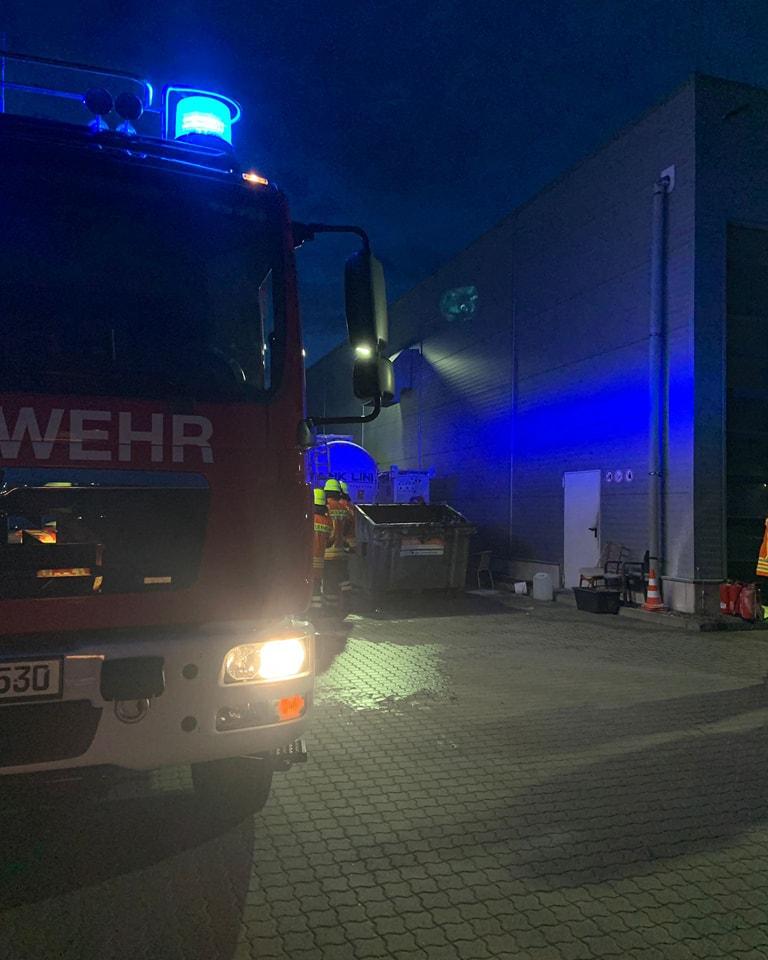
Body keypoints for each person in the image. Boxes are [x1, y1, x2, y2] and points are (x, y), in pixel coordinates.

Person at [322, 478, 348, 621]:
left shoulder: (326, 509)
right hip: (341, 552)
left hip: (328, 553)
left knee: (329, 583)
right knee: (340, 580)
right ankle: (342, 606)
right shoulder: (343, 509)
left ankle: (330, 610)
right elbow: (348, 529)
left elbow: (327, 532)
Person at [311, 488, 331, 618]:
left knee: (307, 585)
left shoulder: (308, 519)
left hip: (307, 560)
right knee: (317, 585)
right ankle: (317, 610)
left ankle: (306, 611)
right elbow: (330, 540)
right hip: (320, 560)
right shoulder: (327, 521)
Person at [339, 480, 357, 612]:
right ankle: (347, 600)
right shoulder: (350, 506)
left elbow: (343, 528)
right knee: (345, 574)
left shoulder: (342, 506)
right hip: (351, 545)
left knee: (341, 573)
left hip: (343, 544)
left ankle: (344, 602)